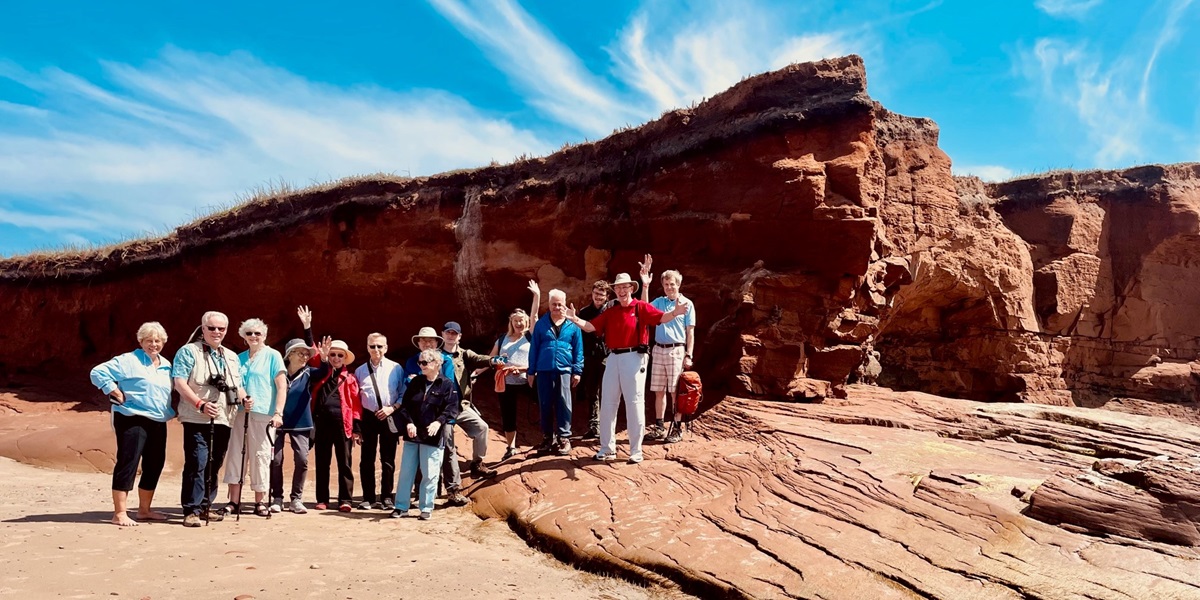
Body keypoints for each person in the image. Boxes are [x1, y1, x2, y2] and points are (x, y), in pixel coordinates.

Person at [565, 273, 690, 464]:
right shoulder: (612, 310)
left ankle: (635, 450)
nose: (622, 291)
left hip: (635, 357)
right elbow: (591, 326)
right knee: (607, 403)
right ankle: (607, 448)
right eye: (618, 288)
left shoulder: (640, 307)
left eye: (625, 287)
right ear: (614, 290)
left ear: (632, 288)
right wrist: (574, 319)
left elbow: (661, 318)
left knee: (634, 403)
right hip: (613, 357)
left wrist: (675, 312)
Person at [89, 322, 174, 527]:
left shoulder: (166, 364)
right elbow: (97, 372)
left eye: (157, 341)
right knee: (129, 462)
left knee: (155, 464)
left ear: (163, 342)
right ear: (141, 342)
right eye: (148, 341)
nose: (153, 344)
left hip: (158, 419)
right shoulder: (128, 360)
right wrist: (114, 390)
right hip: (131, 417)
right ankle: (119, 513)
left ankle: (144, 511)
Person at [173, 311, 248, 527]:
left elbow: (237, 386)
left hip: (224, 417)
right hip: (197, 417)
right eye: (212, 328)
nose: (216, 332)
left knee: (214, 464)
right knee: (197, 461)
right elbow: (179, 382)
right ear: (203, 328)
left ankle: (206, 505)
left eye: (221, 329)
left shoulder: (231, 356)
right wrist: (200, 404)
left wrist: (245, 399)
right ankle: (191, 510)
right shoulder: (189, 352)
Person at [220, 318, 286, 518]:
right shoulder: (237, 358)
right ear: (243, 336)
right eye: (249, 333)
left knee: (261, 455)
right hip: (239, 413)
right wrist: (242, 399)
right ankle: (234, 501)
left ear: (264, 335)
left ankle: (259, 501)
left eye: (257, 333)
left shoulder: (273, 356)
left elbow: (282, 386)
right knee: (236, 455)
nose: (253, 336)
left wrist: (278, 413)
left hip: (264, 413)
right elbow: (234, 385)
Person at [392, 349, 460, 520]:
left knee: (430, 473)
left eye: (425, 362)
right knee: (406, 472)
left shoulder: (446, 385)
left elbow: (452, 408)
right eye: (420, 362)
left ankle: (426, 507)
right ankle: (401, 507)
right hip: (413, 434)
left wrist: (439, 422)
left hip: (433, 436)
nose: (421, 365)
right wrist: (409, 422)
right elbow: (405, 406)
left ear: (436, 364)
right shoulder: (415, 383)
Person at [437, 321, 499, 505]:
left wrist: (492, 360)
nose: (451, 336)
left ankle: (477, 464)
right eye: (448, 332)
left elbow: (479, 358)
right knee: (448, 447)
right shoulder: (436, 356)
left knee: (482, 427)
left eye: (454, 333)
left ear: (459, 336)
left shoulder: (464, 354)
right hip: (441, 409)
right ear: (442, 334)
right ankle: (452, 489)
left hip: (461, 406)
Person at [271, 306, 322, 514]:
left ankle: (296, 499)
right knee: (275, 460)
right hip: (278, 421)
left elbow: (326, 369)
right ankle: (276, 498)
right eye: (300, 353)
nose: (304, 356)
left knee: (302, 460)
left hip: (302, 423)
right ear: (289, 354)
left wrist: (307, 328)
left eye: (306, 354)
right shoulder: (277, 372)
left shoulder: (310, 373)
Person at [640, 256, 696, 444]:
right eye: (665, 284)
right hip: (659, 349)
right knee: (658, 391)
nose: (669, 287)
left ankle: (676, 427)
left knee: (675, 391)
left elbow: (690, 333)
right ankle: (659, 427)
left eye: (672, 284)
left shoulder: (687, 304)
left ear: (678, 284)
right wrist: (645, 285)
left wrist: (689, 355)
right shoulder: (660, 302)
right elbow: (644, 309)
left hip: (676, 350)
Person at [527, 289, 584, 455]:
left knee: (564, 404)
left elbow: (578, 350)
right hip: (544, 370)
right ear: (549, 305)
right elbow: (534, 348)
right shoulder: (541, 325)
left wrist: (577, 371)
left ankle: (564, 438)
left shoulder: (573, 325)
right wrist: (531, 371)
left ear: (564, 304)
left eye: (560, 304)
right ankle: (547, 438)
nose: (557, 307)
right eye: (554, 304)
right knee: (545, 404)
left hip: (565, 370)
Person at [354, 332, 405, 510]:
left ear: (386, 348)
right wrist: (357, 427)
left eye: (380, 346)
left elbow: (402, 392)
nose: (376, 349)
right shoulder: (360, 371)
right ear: (367, 347)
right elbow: (356, 400)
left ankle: (386, 497)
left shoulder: (396, 368)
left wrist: (393, 408)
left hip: (389, 415)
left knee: (388, 459)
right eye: (372, 346)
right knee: (366, 459)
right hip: (369, 417)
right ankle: (368, 497)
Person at [310, 339, 362, 512]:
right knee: (322, 462)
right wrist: (307, 327)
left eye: (340, 355)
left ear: (345, 358)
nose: (336, 358)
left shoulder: (350, 378)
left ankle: (345, 500)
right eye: (333, 354)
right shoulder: (321, 373)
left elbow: (356, 404)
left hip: (343, 425)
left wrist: (356, 428)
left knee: (344, 464)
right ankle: (322, 499)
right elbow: (314, 354)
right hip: (322, 424)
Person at [490, 309, 534, 459]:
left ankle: (549, 438)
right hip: (506, 381)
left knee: (544, 405)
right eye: (515, 320)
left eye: (521, 320)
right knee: (508, 414)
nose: (518, 323)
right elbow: (490, 358)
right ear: (511, 322)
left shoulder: (531, 336)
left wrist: (521, 369)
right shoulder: (503, 339)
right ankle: (511, 447)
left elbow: (538, 360)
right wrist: (476, 372)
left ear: (527, 321)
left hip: (527, 380)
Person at [576, 281, 613, 440]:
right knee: (592, 392)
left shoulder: (611, 311)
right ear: (592, 294)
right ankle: (594, 426)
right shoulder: (584, 312)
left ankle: (608, 425)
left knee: (608, 392)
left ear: (607, 296)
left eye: (601, 295)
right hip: (589, 356)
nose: (598, 297)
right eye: (596, 294)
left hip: (607, 356)